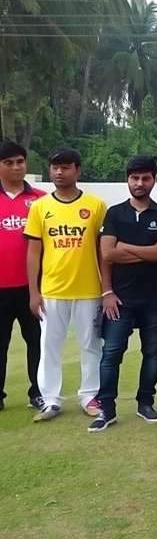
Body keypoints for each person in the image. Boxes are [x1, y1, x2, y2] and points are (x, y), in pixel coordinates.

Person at [88, 156, 157, 432]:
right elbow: (106, 254)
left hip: (154, 298)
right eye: (134, 178)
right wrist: (107, 291)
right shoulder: (114, 213)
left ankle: (145, 403)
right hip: (119, 299)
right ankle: (107, 409)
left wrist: (126, 248)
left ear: (154, 179)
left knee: (152, 352)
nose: (139, 183)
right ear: (128, 179)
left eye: (145, 178)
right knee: (112, 353)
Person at [24, 148, 105, 421]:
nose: (59, 172)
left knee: (91, 345)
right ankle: (50, 400)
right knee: (49, 347)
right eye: (55, 167)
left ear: (78, 171)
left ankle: (90, 396)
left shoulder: (95, 206)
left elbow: (103, 251)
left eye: (66, 167)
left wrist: (106, 289)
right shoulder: (40, 207)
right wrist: (34, 292)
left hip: (89, 290)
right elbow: (34, 252)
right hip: (52, 290)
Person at [0, 141, 46, 412]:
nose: (16, 167)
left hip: (34, 288)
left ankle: (38, 392)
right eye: (9, 163)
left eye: (20, 161)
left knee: (37, 342)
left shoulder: (40, 199)